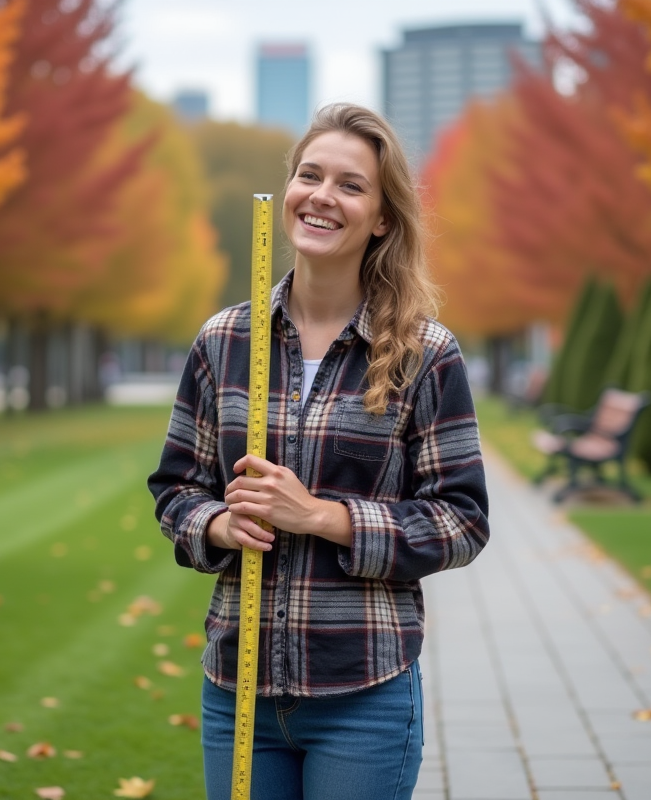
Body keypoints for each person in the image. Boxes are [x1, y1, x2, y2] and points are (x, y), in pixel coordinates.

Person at [148, 103, 490, 800]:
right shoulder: (225, 340)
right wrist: (218, 525)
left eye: (350, 185)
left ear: (383, 218)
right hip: (237, 691)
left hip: (364, 694)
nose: (322, 196)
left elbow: (462, 521)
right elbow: (175, 489)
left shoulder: (424, 353)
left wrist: (323, 517)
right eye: (310, 175)